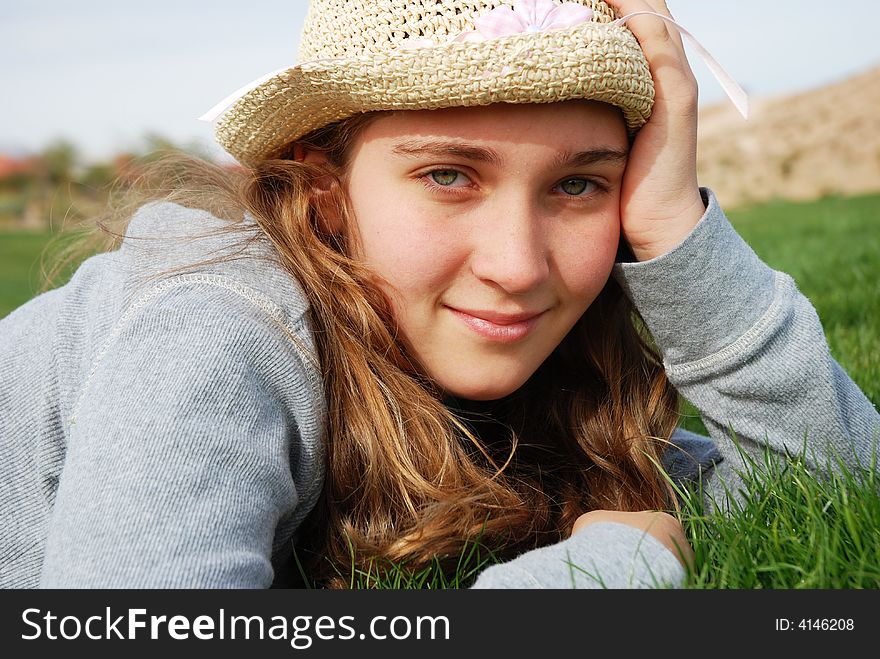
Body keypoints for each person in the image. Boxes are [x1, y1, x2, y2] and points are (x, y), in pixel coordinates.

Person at [1, 0, 877, 590]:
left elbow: (836, 487)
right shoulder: (219, 320)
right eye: (450, 174)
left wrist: (675, 228)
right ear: (327, 189)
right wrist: (600, 572)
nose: (518, 264)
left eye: (579, 186)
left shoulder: (546, 361)